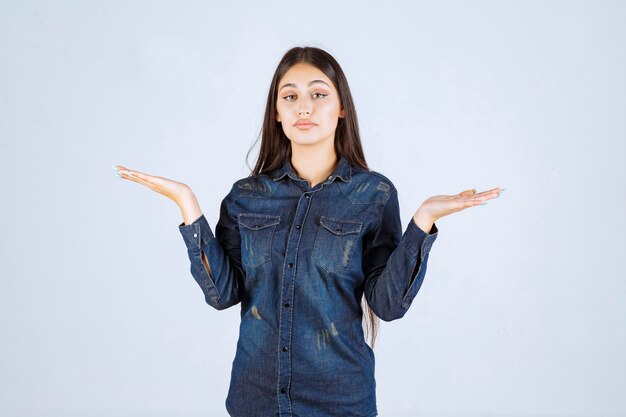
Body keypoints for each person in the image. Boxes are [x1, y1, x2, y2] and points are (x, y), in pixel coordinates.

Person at [113, 46, 502, 417]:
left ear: (342, 109)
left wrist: (424, 220)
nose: (304, 106)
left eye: (319, 94)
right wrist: (187, 204)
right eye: (290, 96)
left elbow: (387, 305)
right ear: (277, 113)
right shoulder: (246, 197)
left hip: (341, 401)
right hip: (255, 400)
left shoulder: (374, 194)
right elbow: (223, 294)